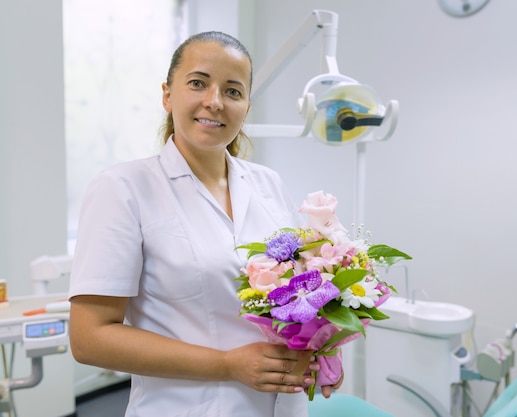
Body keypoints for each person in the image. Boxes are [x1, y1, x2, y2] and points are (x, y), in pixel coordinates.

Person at [68, 31, 341, 417]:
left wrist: (319, 353)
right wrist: (227, 363)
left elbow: (291, 300)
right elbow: (89, 339)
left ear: (246, 106)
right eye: (198, 83)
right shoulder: (123, 188)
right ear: (167, 95)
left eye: (232, 91)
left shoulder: (267, 183)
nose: (214, 102)